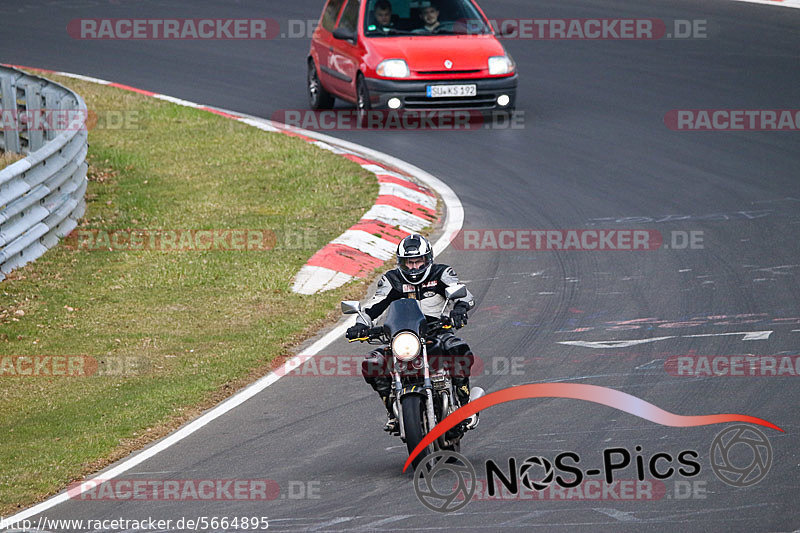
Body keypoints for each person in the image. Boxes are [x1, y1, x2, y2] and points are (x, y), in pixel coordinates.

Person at [346, 234, 478, 433]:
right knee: (372, 363)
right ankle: (392, 410)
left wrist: (459, 310)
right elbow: (373, 307)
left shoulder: (441, 273)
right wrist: (360, 325)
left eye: (418, 261)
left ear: (428, 259)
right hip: (402, 337)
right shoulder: (391, 280)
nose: (414, 267)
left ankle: (465, 402)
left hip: (437, 331)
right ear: (401, 262)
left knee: (458, 349)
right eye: (409, 263)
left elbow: (464, 295)